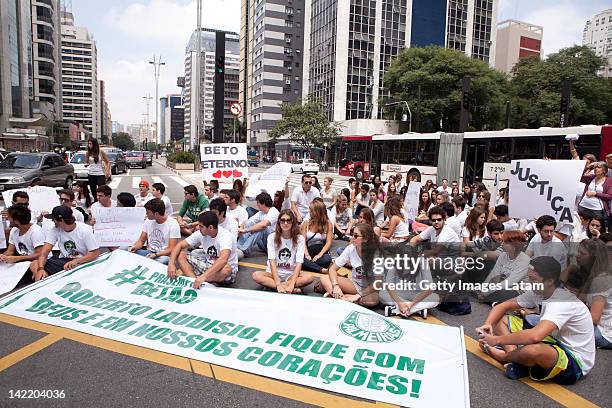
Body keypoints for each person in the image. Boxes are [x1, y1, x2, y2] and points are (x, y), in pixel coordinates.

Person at [476, 256, 595, 384]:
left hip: (574, 359)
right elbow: (503, 306)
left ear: (549, 281)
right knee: (500, 319)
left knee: (533, 350)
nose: (529, 283)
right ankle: (515, 357)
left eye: (533, 279)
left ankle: (505, 356)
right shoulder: (539, 290)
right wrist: (488, 324)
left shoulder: (560, 301)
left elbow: (535, 337)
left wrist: (496, 340)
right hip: (551, 340)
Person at [168, 211, 238, 287]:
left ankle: (201, 279)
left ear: (210, 227)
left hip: (224, 271)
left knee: (226, 269)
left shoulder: (225, 236)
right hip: (207, 264)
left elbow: (223, 260)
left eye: (201, 226)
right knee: (181, 254)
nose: (198, 228)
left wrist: (204, 276)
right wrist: (171, 264)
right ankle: (194, 281)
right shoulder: (201, 233)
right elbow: (180, 245)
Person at [252, 209, 314, 293]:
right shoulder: (271, 237)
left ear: (293, 222)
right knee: (256, 275)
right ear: (279, 222)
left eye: (288, 220)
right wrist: (277, 283)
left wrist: (292, 283)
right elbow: (272, 261)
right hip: (273, 275)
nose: (285, 223)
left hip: (290, 275)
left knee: (309, 277)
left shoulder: (300, 239)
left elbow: (299, 263)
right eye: (282, 220)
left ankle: (274, 286)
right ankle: (286, 287)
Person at [320, 223, 381, 307]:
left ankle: (339, 297)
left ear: (366, 239)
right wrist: (335, 286)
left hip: (370, 288)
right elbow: (332, 268)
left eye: (356, 236)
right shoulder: (351, 248)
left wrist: (360, 295)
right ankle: (345, 298)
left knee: (372, 301)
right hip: (354, 284)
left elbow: (378, 283)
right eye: (352, 235)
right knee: (324, 278)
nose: (352, 238)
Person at [36, 206, 100, 280]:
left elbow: (95, 253)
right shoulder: (55, 230)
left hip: (84, 261)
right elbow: (44, 252)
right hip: (65, 261)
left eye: (53, 219)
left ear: (61, 220)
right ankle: (43, 280)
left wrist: (76, 261)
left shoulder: (84, 230)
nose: (52, 222)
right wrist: (40, 269)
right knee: (35, 264)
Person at [477, 231, 530, 303]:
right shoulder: (503, 255)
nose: (501, 244)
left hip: (518, 291)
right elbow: (494, 274)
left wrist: (487, 292)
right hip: (503, 286)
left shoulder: (525, 260)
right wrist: (483, 288)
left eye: (504, 242)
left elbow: (510, 282)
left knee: (496, 294)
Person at [129, 199, 180, 265]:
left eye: (148, 212)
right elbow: (141, 241)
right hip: (149, 252)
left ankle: (146, 264)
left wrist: (156, 255)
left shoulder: (173, 224)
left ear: (156, 214)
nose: (146, 214)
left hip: (163, 255)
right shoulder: (148, 220)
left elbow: (171, 249)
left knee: (163, 260)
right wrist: (134, 247)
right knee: (127, 251)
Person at [0, 205, 45, 281]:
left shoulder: (35, 232)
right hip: (24, 262)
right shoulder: (14, 230)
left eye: (9, 217)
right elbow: (10, 251)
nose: (7, 219)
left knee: (34, 264)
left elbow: (40, 254)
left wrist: (17, 258)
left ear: (16, 221)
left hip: (39, 262)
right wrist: (3, 256)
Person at [237, 192, 279, 257]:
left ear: (263, 204)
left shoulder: (273, 211)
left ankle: (243, 250)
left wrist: (246, 230)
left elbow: (263, 225)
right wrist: (242, 227)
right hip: (265, 244)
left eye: (258, 203)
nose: (257, 205)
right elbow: (248, 221)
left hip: (274, 245)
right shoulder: (261, 213)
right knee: (251, 223)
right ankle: (238, 246)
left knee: (262, 229)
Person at [301, 200, 333, 273]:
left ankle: (310, 266)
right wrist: (306, 254)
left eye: (312, 211)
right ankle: (321, 269)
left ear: (318, 212)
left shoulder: (328, 224)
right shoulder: (306, 223)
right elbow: (302, 241)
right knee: (300, 259)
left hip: (320, 251)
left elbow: (329, 242)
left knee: (327, 259)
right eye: (310, 211)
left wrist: (319, 255)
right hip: (307, 250)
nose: (310, 213)